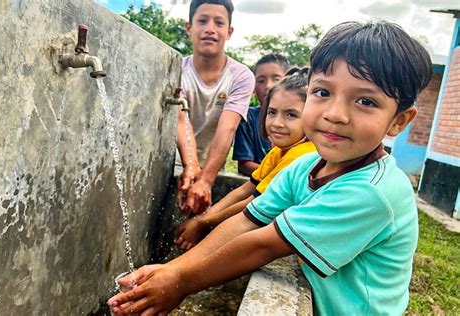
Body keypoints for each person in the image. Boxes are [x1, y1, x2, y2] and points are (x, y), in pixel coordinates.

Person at [108, 20, 432, 315]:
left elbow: (262, 244)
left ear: (398, 121)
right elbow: (246, 221)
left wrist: (180, 283)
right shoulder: (305, 165)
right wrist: (175, 269)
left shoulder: (372, 192)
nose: (335, 113)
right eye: (323, 92)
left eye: (365, 101)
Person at [174, 67, 316, 250]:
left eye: (291, 115)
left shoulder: (301, 155)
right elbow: (244, 190)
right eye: (272, 112)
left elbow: (253, 204)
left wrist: (203, 224)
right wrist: (202, 219)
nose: (277, 123)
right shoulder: (280, 150)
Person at [176, 0, 255, 215]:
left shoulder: (241, 76)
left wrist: (205, 179)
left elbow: (227, 128)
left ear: (229, 32)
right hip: (173, 161)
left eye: (219, 23)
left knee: (199, 220)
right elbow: (181, 119)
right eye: (202, 21)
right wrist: (190, 165)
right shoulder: (176, 69)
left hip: (212, 164)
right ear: (188, 27)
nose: (210, 29)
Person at [232, 54, 290, 176]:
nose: (268, 85)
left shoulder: (302, 118)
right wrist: (280, 176)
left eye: (276, 79)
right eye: (261, 81)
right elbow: (244, 165)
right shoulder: (248, 117)